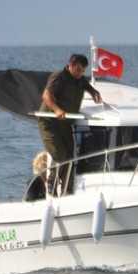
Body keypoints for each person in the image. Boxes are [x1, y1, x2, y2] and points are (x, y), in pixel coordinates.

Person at [37, 54, 102, 194]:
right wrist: (56, 109)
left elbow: (87, 86)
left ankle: (67, 189)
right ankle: (51, 181)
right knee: (60, 155)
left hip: (65, 124)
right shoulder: (59, 77)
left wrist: (94, 93)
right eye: (77, 69)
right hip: (49, 122)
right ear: (70, 65)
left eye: (83, 70)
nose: (80, 73)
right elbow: (46, 95)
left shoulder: (80, 79)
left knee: (70, 157)